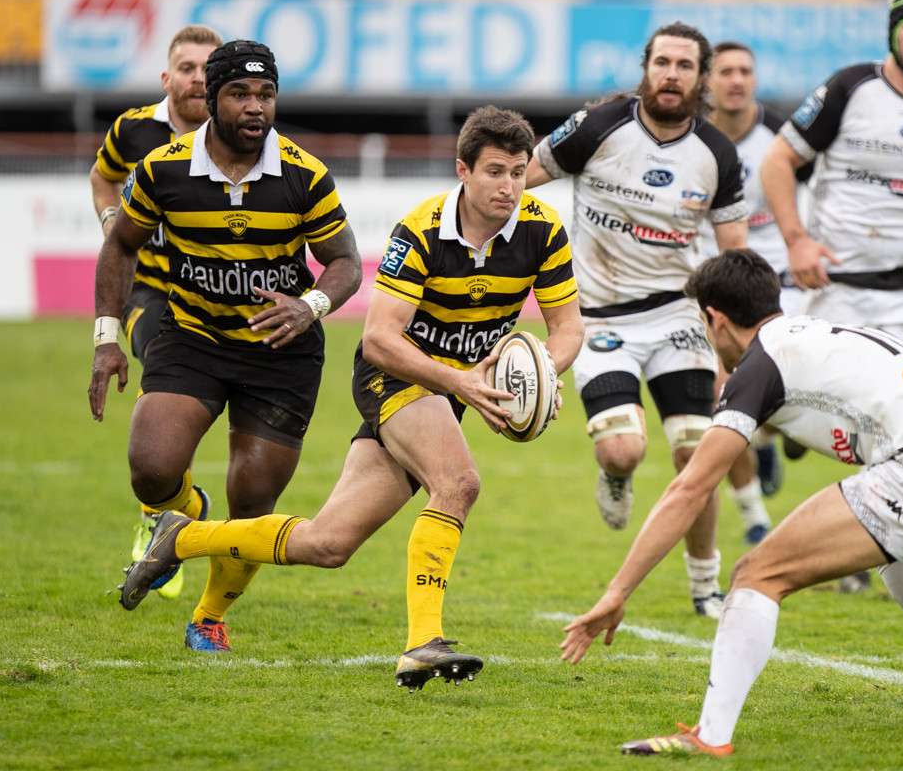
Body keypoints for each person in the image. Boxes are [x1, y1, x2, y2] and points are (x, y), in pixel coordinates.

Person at [119, 105, 584, 689]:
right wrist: (463, 381)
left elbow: (568, 328)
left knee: (329, 542)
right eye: (495, 172)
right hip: (393, 375)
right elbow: (380, 339)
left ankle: (182, 536)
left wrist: (542, 371)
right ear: (463, 170)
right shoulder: (420, 231)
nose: (509, 187)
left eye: (518, 172)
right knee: (458, 482)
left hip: (448, 392)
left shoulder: (543, 228)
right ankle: (423, 644)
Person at [559, 249, 903, 755]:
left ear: (716, 319)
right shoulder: (825, 333)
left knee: (757, 573)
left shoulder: (760, 365)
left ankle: (710, 737)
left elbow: (689, 489)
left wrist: (617, 592)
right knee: (890, 546)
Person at [91, 39, 363, 653]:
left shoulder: (304, 173)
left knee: (253, 505)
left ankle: (208, 617)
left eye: (266, 94)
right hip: (194, 337)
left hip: (281, 351)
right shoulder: (163, 168)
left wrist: (310, 305)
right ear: (212, 99)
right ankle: (185, 511)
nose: (255, 106)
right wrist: (106, 339)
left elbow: (345, 262)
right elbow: (122, 244)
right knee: (151, 468)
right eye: (240, 93)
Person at [760, 0, 903, 593]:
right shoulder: (849, 89)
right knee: (810, 405)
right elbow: (777, 162)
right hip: (836, 286)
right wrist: (797, 241)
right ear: (894, 32)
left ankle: (862, 552)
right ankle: (785, 433)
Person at [526, 22, 748, 618]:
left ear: (700, 78)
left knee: (697, 454)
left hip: (678, 317)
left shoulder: (719, 154)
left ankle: (705, 585)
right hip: (598, 319)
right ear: (646, 68)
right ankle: (617, 476)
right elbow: (516, 181)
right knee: (623, 451)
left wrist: (736, 345)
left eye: (684, 66)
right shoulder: (596, 127)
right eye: (662, 63)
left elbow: (735, 256)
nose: (671, 75)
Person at [89, 23, 224, 599]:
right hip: (150, 289)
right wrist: (111, 224)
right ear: (167, 77)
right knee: (161, 367)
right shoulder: (134, 130)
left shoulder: (237, 135)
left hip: (217, 294)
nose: (198, 79)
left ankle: (183, 506)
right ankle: (159, 513)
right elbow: (102, 176)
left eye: (208, 70)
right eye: (187, 68)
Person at [704, 40, 810, 542]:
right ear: (708, 82)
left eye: (745, 71)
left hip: (782, 282)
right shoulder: (691, 137)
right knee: (723, 396)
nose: (736, 80)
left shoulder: (783, 136)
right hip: (718, 283)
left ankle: (770, 437)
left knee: (788, 392)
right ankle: (754, 519)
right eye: (725, 71)